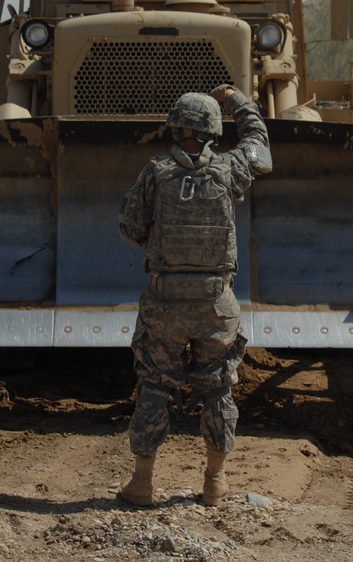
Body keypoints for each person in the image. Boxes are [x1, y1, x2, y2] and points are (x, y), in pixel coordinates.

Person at [117, 84, 271, 507]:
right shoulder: (230, 169)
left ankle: (142, 484)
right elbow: (260, 145)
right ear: (213, 133)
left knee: (153, 386)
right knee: (218, 389)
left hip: (164, 302)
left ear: (174, 128)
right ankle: (215, 483)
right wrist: (237, 100)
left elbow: (130, 231)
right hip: (215, 305)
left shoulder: (155, 172)